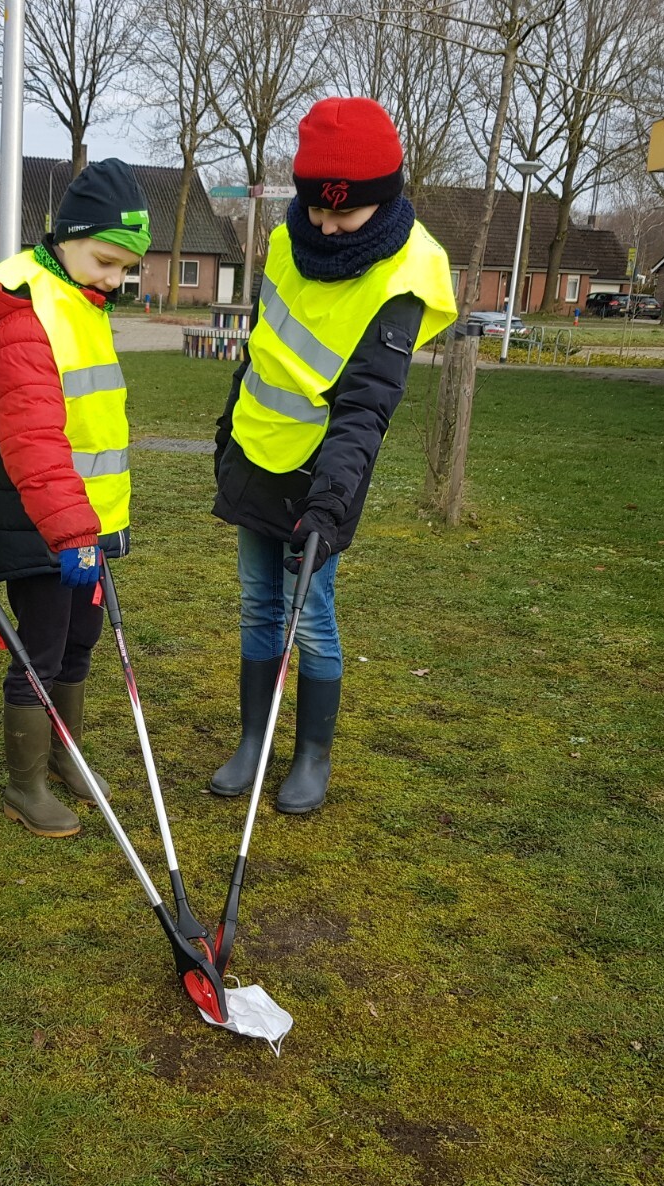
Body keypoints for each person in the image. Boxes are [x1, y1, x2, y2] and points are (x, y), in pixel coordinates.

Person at [211, 97, 458, 815]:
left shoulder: (406, 275)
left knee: (308, 613)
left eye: (340, 214)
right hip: (258, 452)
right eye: (315, 207)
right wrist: (229, 428)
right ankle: (253, 740)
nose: (323, 224)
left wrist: (329, 505)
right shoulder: (289, 239)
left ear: (383, 201)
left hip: (322, 475)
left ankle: (311, 756)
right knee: (259, 606)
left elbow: (365, 409)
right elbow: (265, 346)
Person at [0, 158, 149, 838]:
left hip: (84, 518)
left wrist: (96, 527)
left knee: (81, 639)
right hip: (37, 514)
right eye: (106, 261)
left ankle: (67, 757)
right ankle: (25, 783)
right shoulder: (18, 299)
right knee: (41, 644)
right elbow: (33, 432)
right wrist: (70, 532)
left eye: (126, 269)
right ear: (65, 236)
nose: (115, 280)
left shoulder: (79, 296)